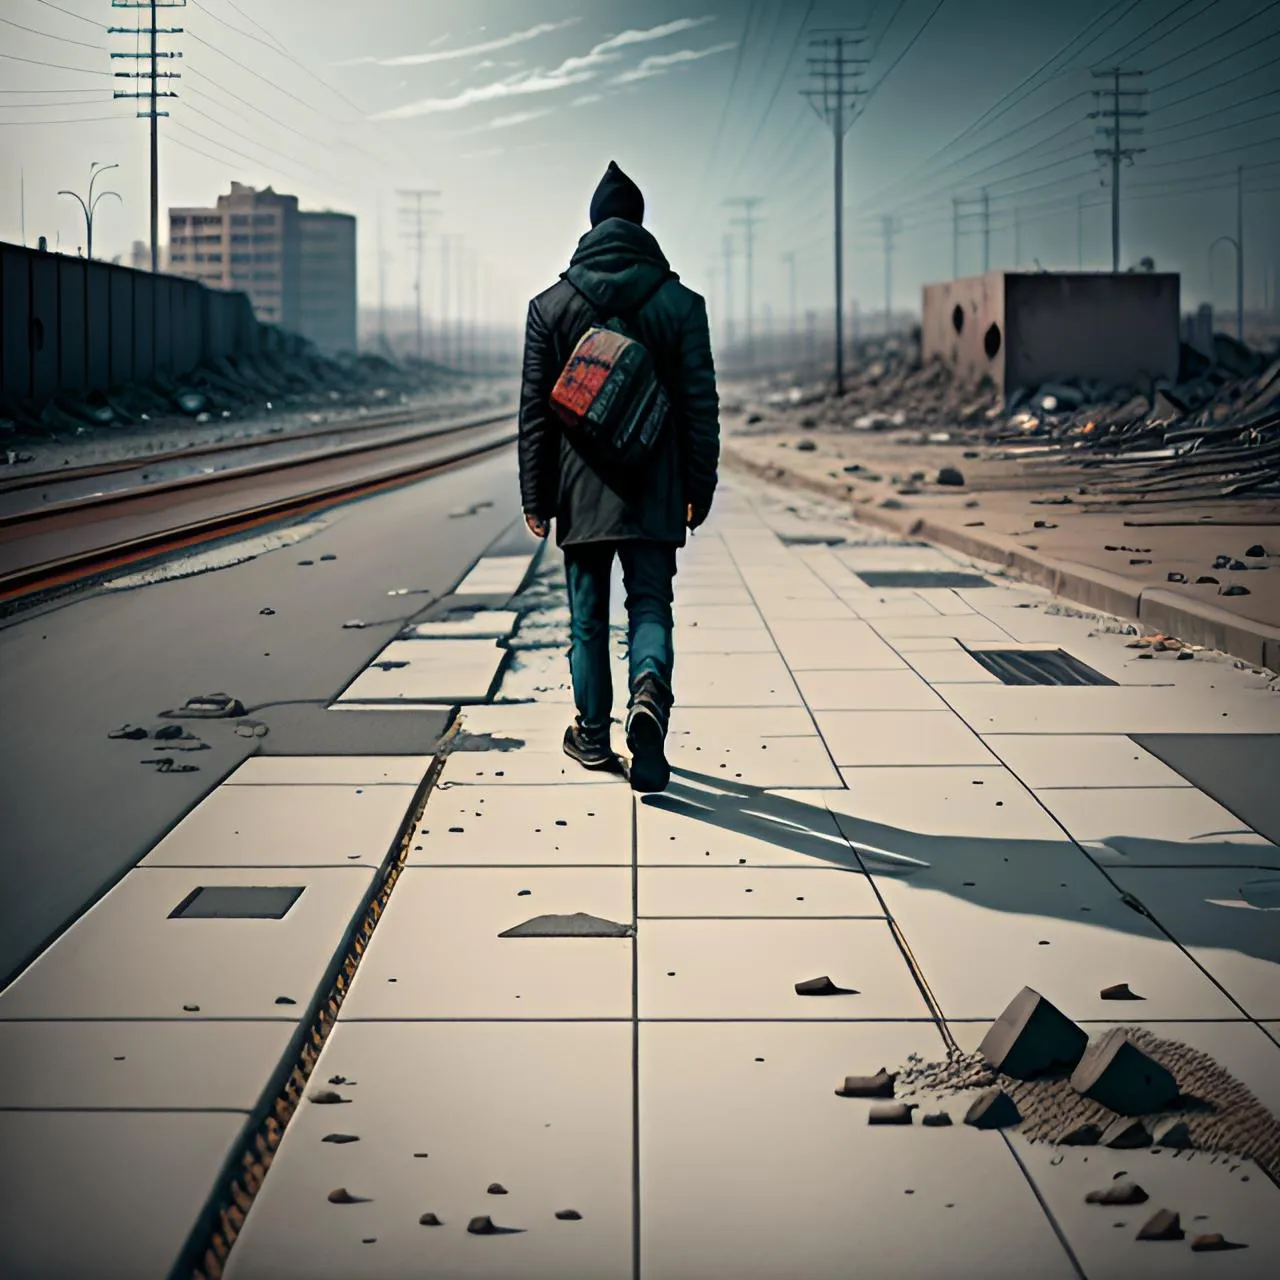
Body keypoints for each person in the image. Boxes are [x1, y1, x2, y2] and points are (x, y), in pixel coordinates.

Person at [518, 160, 720, 793]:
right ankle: (649, 699)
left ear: (592, 226)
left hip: (581, 492)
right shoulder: (681, 304)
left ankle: (592, 733)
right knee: (650, 605)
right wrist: (699, 485)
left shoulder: (550, 307)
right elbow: (699, 404)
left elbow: (534, 413)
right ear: (638, 223)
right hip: (656, 489)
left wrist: (536, 495)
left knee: (586, 617)